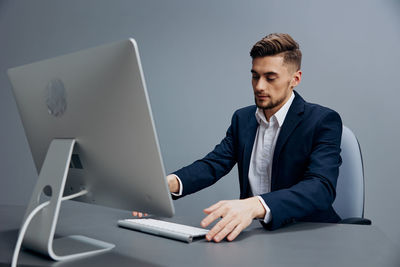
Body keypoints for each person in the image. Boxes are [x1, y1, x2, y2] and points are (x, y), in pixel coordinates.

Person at [133, 33, 342, 242]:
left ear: (295, 79)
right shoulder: (243, 119)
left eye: (270, 78)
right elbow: (212, 165)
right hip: (255, 235)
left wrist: (255, 205)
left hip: (307, 236)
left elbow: (321, 187)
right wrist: (164, 185)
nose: (259, 86)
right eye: (255, 76)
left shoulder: (323, 121)